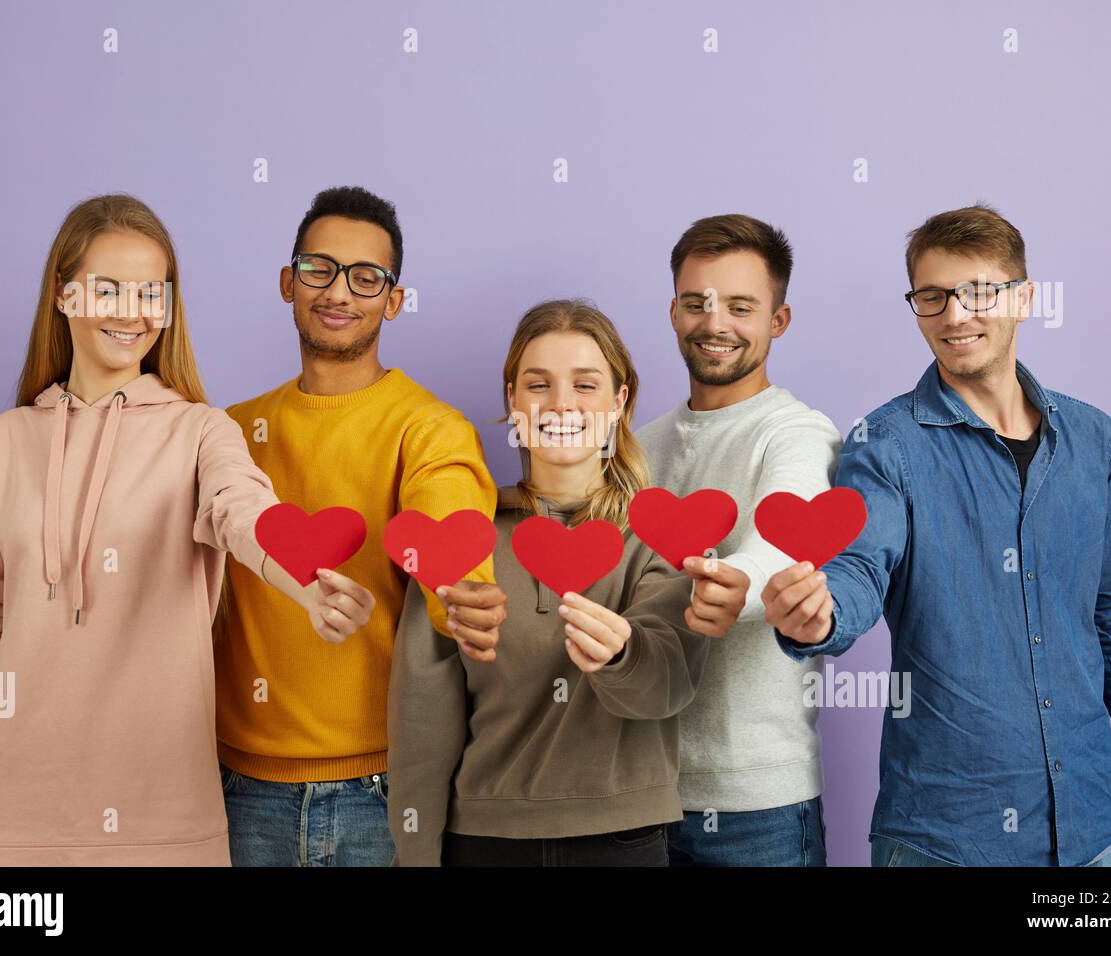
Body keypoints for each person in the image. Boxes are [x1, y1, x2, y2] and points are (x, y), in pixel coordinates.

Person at [0, 194, 358, 867]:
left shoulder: (201, 431)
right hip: (10, 818)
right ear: (64, 295)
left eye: (151, 291)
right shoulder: (1, 444)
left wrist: (303, 584)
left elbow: (240, 510)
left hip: (166, 820)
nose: (130, 311)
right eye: (108, 289)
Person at [763, 203, 1111, 867]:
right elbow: (858, 564)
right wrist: (817, 615)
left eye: (979, 292)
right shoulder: (886, 443)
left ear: (1025, 299)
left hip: (1086, 831)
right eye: (932, 297)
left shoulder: (1094, 439)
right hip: (945, 837)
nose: (956, 315)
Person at [215, 186, 507, 867]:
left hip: (377, 795)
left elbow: (452, 516)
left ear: (393, 300)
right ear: (289, 281)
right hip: (234, 786)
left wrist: (465, 593)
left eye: (365, 277)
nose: (338, 292)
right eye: (319, 268)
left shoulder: (428, 428)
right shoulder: (230, 430)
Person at [387, 299, 711, 866]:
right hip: (485, 842)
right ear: (512, 398)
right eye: (538, 385)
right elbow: (422, 717)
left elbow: (670, 685)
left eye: (585, 386)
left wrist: (621, 655)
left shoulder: (659, 534)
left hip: (624, 842)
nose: (560, 403)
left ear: (619, 402)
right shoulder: (462, 543)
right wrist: (414, 856)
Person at [638, 214, 842, 866]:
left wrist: (737, 587)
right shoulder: (639, 447)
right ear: (673, 312)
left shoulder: (799, 433)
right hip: (641, 795)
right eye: (697, 303)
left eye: (741, 306)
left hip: (762, 809)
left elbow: (785, 537)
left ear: (777, 321)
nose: (715, 323)